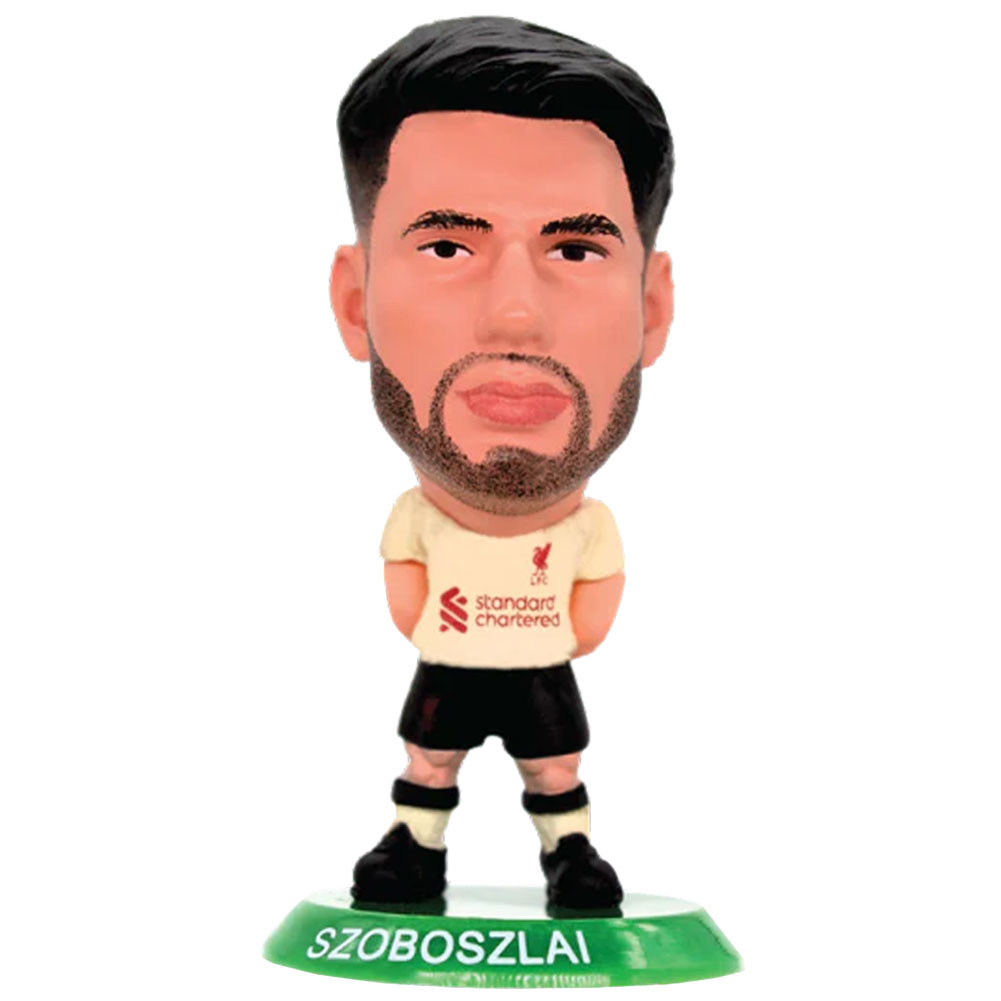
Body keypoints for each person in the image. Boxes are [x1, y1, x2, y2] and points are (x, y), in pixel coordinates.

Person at [329, 16, 674, 908]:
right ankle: (412, 847)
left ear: (652, 309)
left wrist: (559, 636)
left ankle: (571, 854)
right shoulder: (415, 523)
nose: (515, 317)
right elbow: (405, 585)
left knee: (554, 765)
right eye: (447, 248)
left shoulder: (592, 531)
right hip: (447, 664)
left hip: (539, 671)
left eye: (575, 250)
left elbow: (592, 607)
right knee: (428, 758)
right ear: (356, 303)